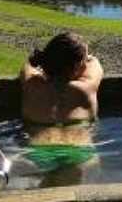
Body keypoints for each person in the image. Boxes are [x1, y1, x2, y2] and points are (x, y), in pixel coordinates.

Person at [16, 32, 104, 182]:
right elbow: (95, 63)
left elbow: (28, 64)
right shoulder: (86, 88)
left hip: (40, 149)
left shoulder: (31, 86)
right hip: (79, 150)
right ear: (78, 66)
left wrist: (46, 63)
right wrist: (87, 57)